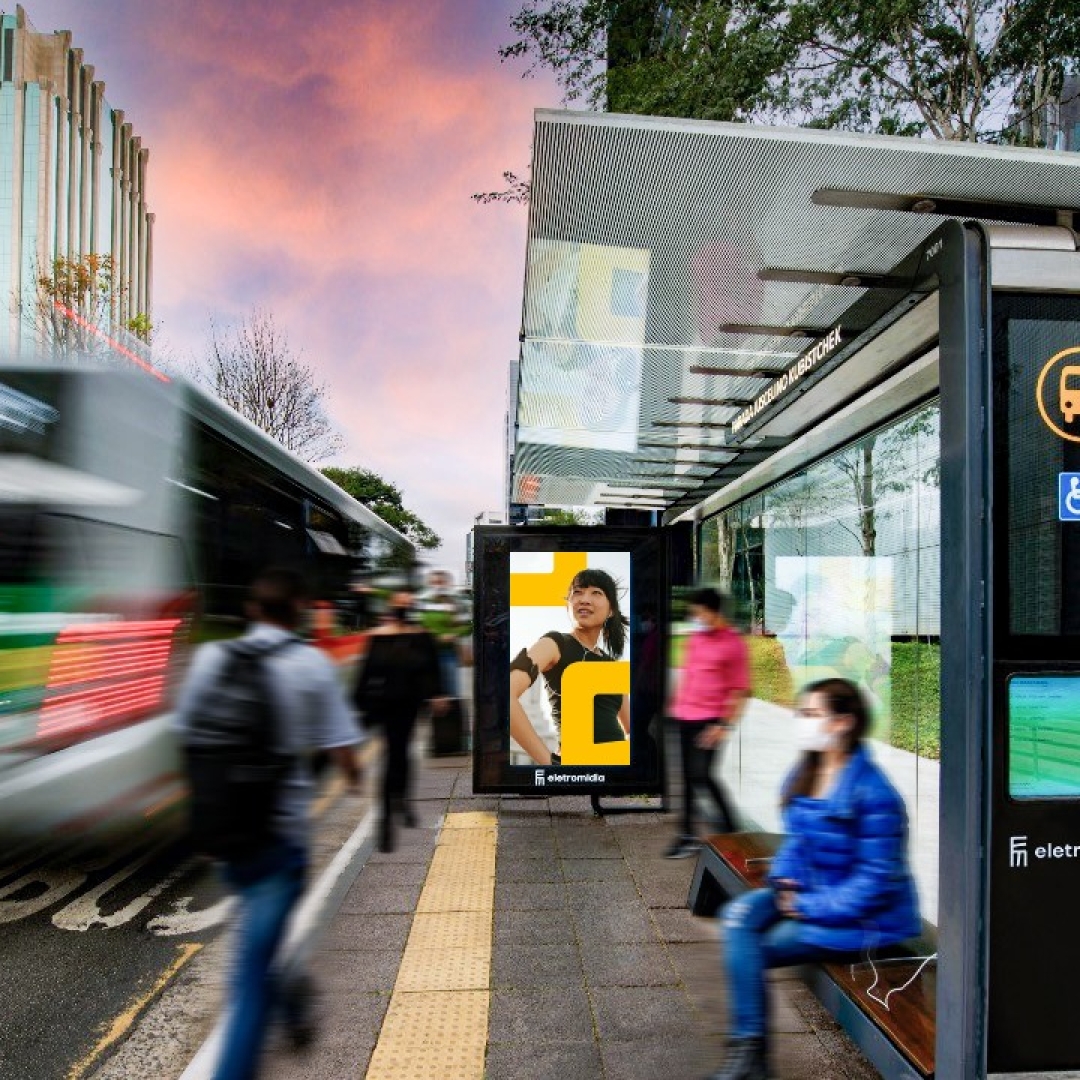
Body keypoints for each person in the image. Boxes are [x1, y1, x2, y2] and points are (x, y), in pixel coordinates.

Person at [174, 568, 362, 1080]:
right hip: (279, 836)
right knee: (251, 969)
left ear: (253, 610)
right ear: (300, 611)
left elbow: (187, 733)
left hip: (226, 833)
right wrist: (356, 778)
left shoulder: (213, 658)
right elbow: (341, 745)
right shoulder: (313, 665)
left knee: (257, 943)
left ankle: (296, 1006)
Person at [703, 678, 921, 1080]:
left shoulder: (875, 794)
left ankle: (750, 1059)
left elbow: (874, 884)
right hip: (810, 890)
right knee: (737, 917)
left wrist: (804, 906)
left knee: (758, 948)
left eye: (812, 714)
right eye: (802, 713)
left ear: (843, 722)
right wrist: (785, 880)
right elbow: (799, 842)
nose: (801, 721)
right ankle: (750, 1055)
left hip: (866, 920)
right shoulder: (808, 771)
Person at [353, 591, 446, 851]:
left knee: (400, 755)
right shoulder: (378, 638)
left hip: (409, 705)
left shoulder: (421, 637)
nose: (403, 609)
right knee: (392, 757)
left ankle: (401, 801)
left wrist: (437, 694)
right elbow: (366, 674)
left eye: (407, 604)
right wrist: (357, 709)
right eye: (399, 605)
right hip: (382, 705)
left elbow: (432, 669)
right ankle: (386, 820)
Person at [509, 568, 630, 766]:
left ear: (611, 610)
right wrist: (549, 762)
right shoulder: (555, 643)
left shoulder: (611, 665)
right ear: (568, 604)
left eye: (596, 593)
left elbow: (631, 729)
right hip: (575, 770)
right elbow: (505, 694)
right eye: (577, 592)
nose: (584, 599)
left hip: (615, 770)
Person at [665, 587, 750, 859]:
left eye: (700, 613)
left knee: (702, 775)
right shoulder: (695, 638)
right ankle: (687, 835)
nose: (696, 618)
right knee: (687, 778)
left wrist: (724, 726)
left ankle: (732, 831)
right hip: (684, 715)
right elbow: (689, 675)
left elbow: (740, 690)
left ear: (714, 612)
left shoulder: (733, 643)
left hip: (711, 719)